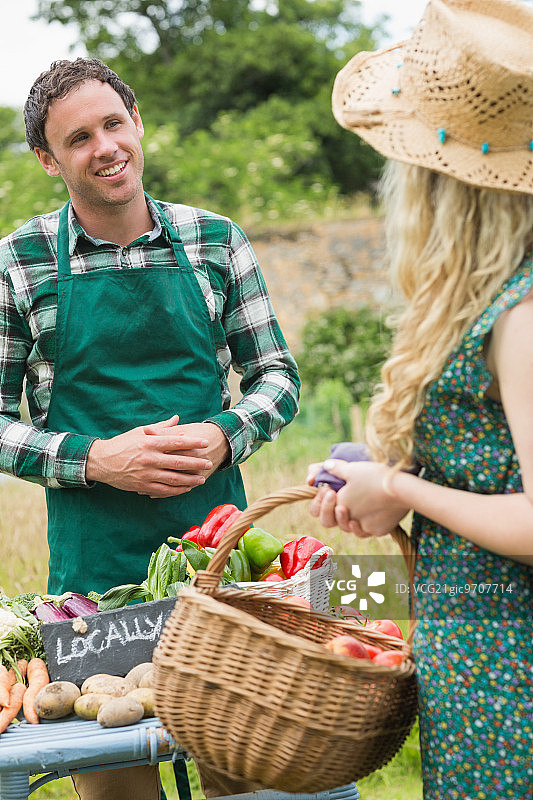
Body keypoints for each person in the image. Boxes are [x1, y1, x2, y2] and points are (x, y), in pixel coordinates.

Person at [0, 58, 300, 799]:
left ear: (137, 123)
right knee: (114, 783)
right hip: (93, 586)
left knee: (240, 773)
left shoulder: (213, 240)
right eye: (78, 138)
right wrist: (94, 458)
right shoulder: (21, 262)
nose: (104, 147)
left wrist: (229, 432)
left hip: (217, 560)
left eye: (113, 124)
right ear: (47, 159)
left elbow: (277, 378)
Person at [308, 0, 533, 798]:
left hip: (511, 675)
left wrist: (399, 488)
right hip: (471, 649)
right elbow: (491, 475)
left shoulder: (521, 315)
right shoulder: (490, 298)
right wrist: (380, 480)